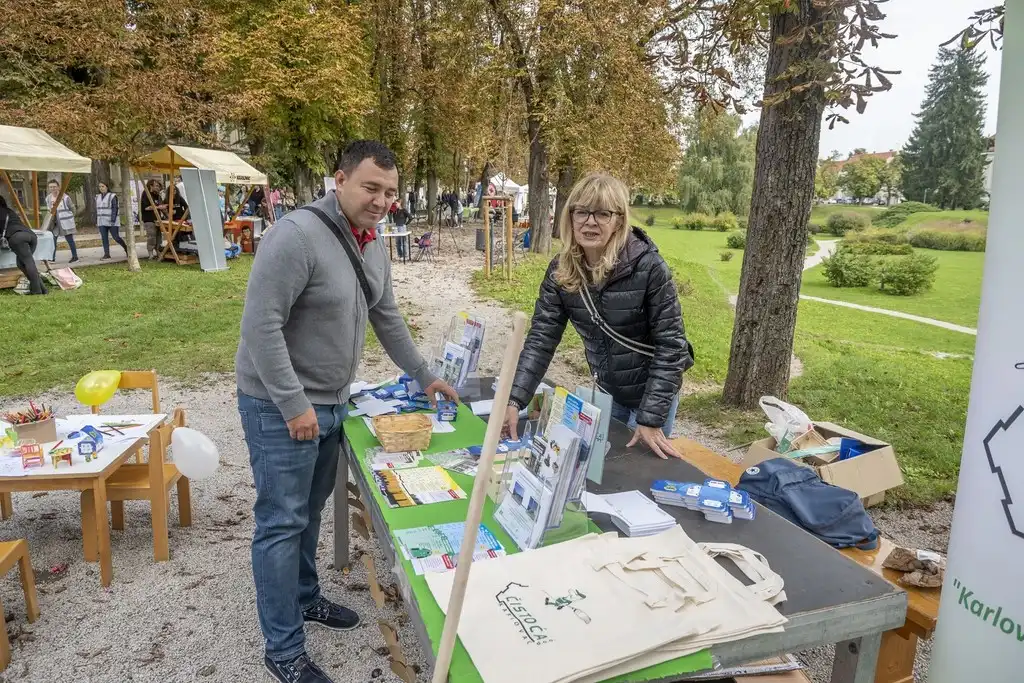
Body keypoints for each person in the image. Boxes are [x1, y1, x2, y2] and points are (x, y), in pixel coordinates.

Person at [236, 140, 459, 683]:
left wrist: (425, 374)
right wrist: (293, 405)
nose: (382, 200)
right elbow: (259, 328)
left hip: (334, 404)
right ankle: (283, 651)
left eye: (390, 191)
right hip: (279, 406)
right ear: (339, 180)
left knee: (308, 513)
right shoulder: (294, 236)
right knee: (280, 523)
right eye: (370, 187)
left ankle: (306, 598)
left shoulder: (373, 244)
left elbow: (388, 317)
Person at [503, 173, 694, 459]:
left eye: (602, 213)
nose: (590, 222)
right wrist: (515, 399)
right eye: (581, 212)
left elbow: (672, 348)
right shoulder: (561, 270)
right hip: (607, 390)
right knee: (604, 468)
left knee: (639, 470)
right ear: (570, 217)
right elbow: (541, 339)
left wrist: (651, 417)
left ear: (619, 220)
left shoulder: (650, 268)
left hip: (651, 391)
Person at [0, 197, 45, 294]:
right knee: (22, 263)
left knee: (27, 262)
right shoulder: (9, 211)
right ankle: (42, 289)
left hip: (17, 237)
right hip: (31, 236)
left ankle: (37, 292)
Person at [45, 179, 78, 263]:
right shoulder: (48, 198)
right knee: (53, 240)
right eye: (51, 187)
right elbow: (48, 210)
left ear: (58, 187)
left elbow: (73, 209)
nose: (53, 188)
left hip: (65, 222)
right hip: (54, 223)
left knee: (69, 239)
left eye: (54, 187)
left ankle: (75, 257)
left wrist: (69, 217)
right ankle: (52, 258)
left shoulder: (65, 197)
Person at [94, 182, 128, 260]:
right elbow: (98, 209)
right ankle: (107, 254)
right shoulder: (97, 197)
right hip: (101, 221)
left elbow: (114, 208)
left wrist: (112, 220)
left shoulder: (112, 196)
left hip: (111, 221)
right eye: (100, 187)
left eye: (103, 186)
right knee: (104, 238)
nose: (101, 188)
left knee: (116, 237)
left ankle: (126, 248)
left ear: (107, 187)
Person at [140, 179, 166, 260]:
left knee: (159, 236)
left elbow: (162, 207)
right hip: (149, 219)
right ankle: (150, 253)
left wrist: (167, 215)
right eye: (156, 186)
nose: (158, 188)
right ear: (151, 186)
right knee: (152, 236)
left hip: (157, 219)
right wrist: (158, 207)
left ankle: (158, 251)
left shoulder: (157, 195)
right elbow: (146, 208)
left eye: (159, 186)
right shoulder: (146, 194)